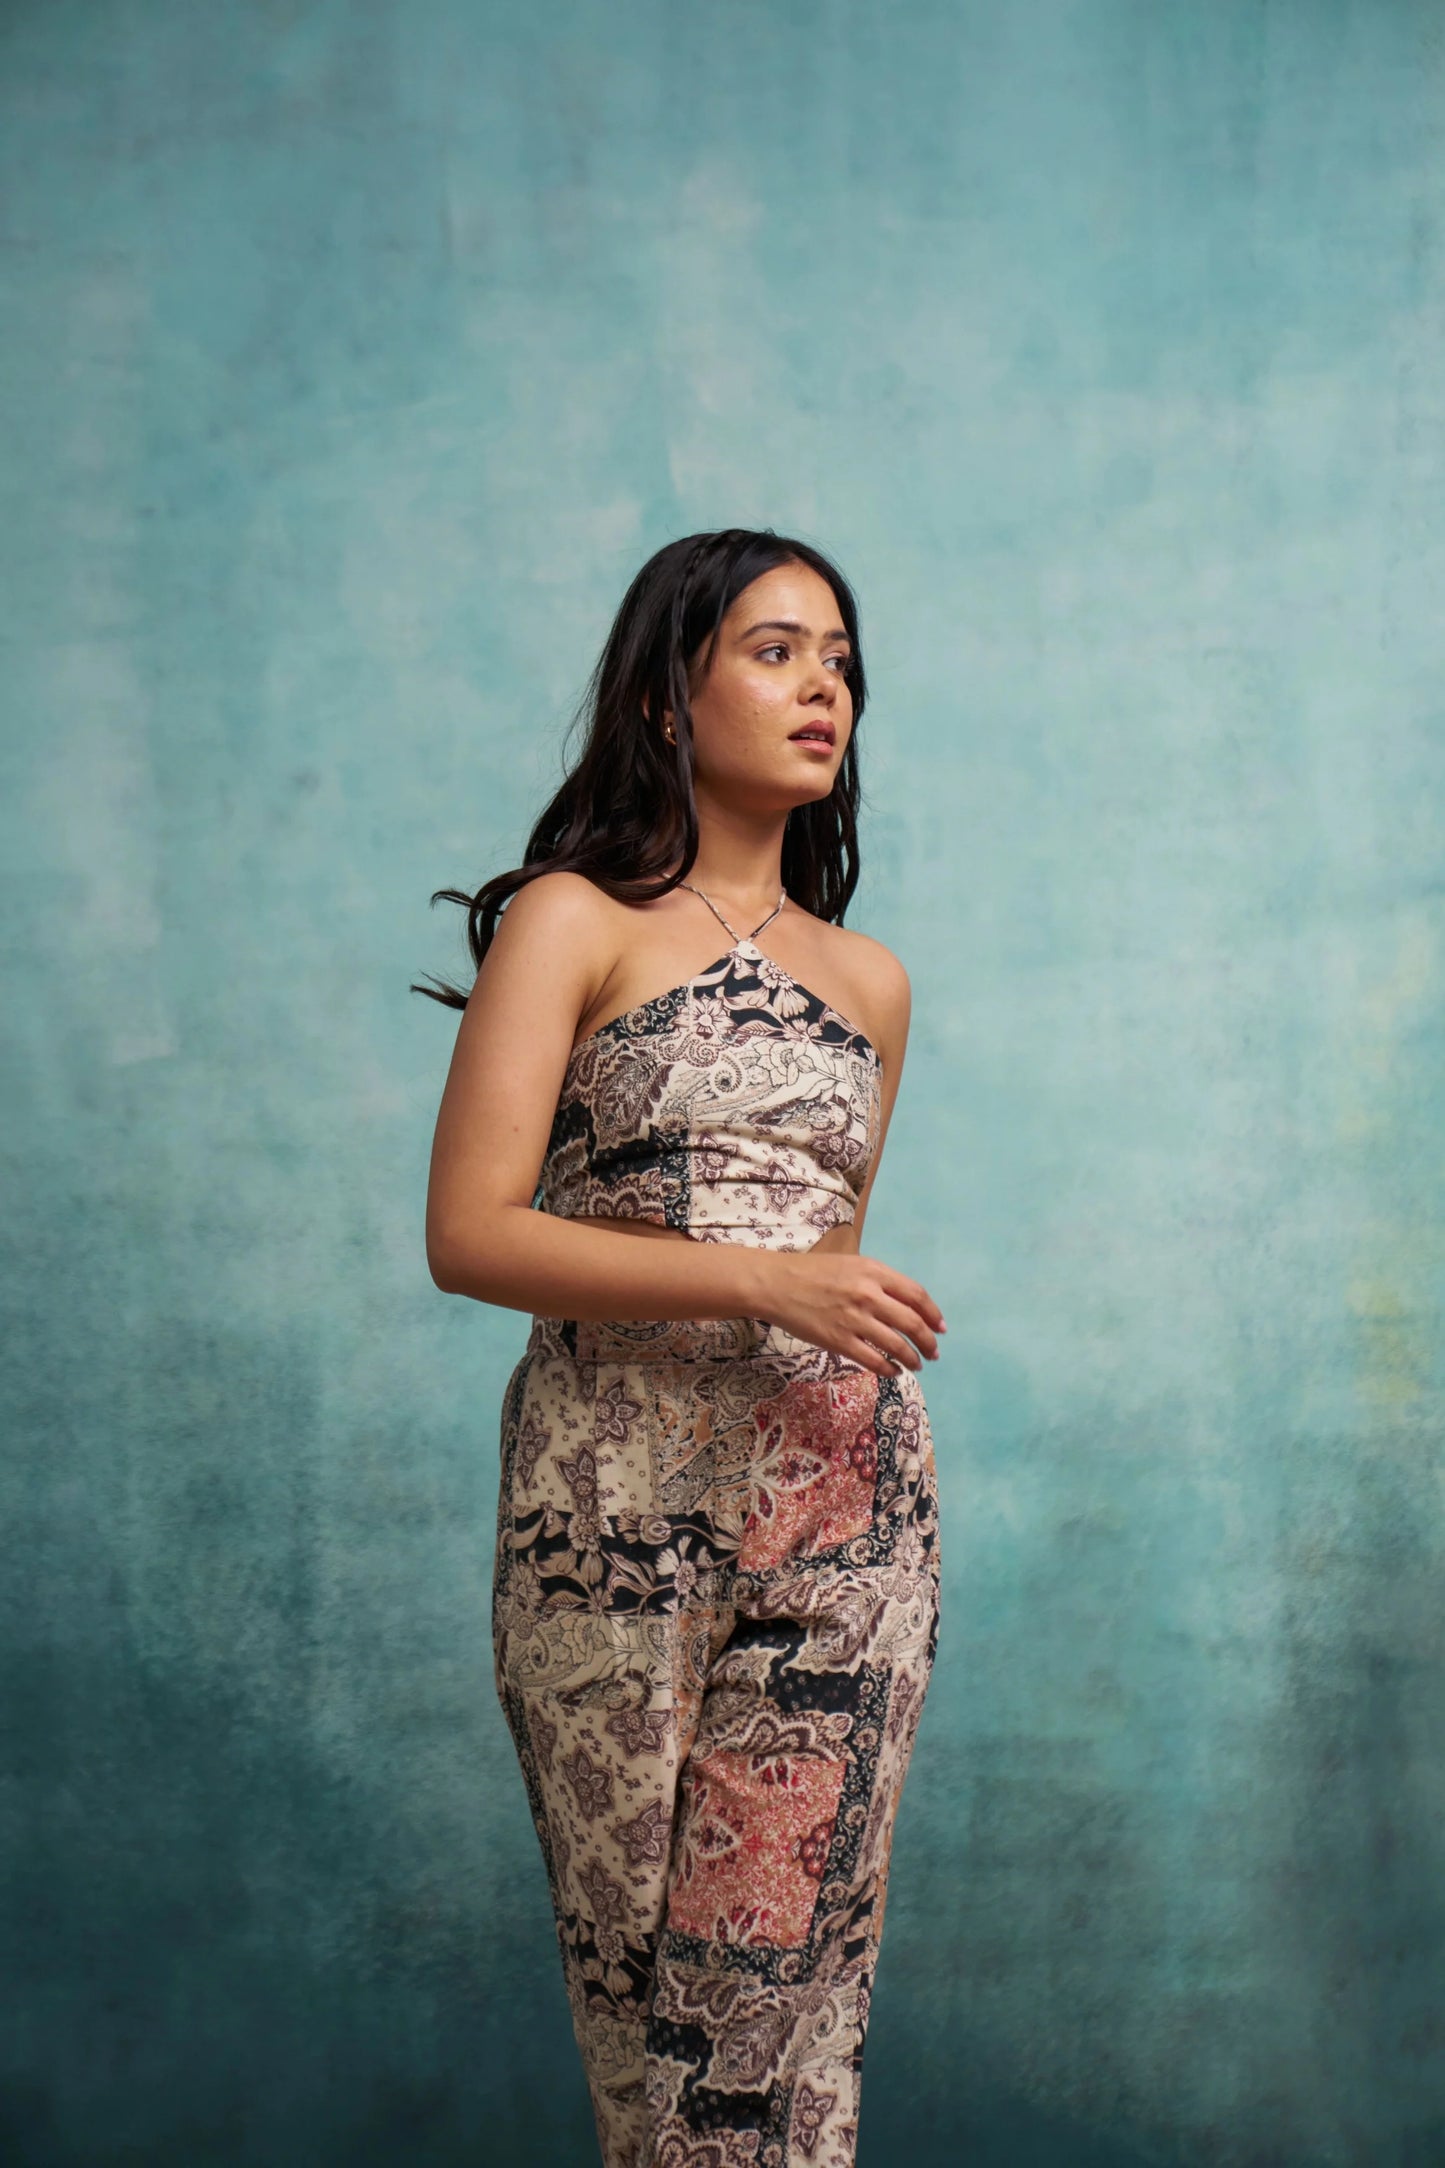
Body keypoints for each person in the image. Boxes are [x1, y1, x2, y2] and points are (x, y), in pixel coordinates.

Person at [418, 527, 944, 2168]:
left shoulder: (870, 984)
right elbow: (469, 1235)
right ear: (666, 696)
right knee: (651, 2008)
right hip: (607, 1522)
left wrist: (816, 1301)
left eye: (840, 659)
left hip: (840, 1526)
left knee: (783, 2004)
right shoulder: (573, 924)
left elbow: (827, 1269)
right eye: (775, 649)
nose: (821, 688)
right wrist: (763, 1285)